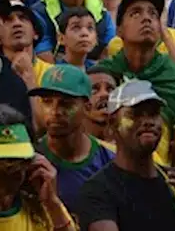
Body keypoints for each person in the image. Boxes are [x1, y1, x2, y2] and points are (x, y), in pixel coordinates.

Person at [94, 0, 175, 162]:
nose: (146, 19)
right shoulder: (104, 75)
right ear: (119, 30)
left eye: (153, 14)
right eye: (136, 13)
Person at [73, 80, 175, 231]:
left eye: (153, 113)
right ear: (112, 124)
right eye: (136, 114)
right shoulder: (98, 191)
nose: (148, 121)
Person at [30, 64, 114, 210]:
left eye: (66, 104)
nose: (55, 111)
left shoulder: (108, 162)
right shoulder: (29, 160)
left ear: (87, 107)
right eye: (47, 102)